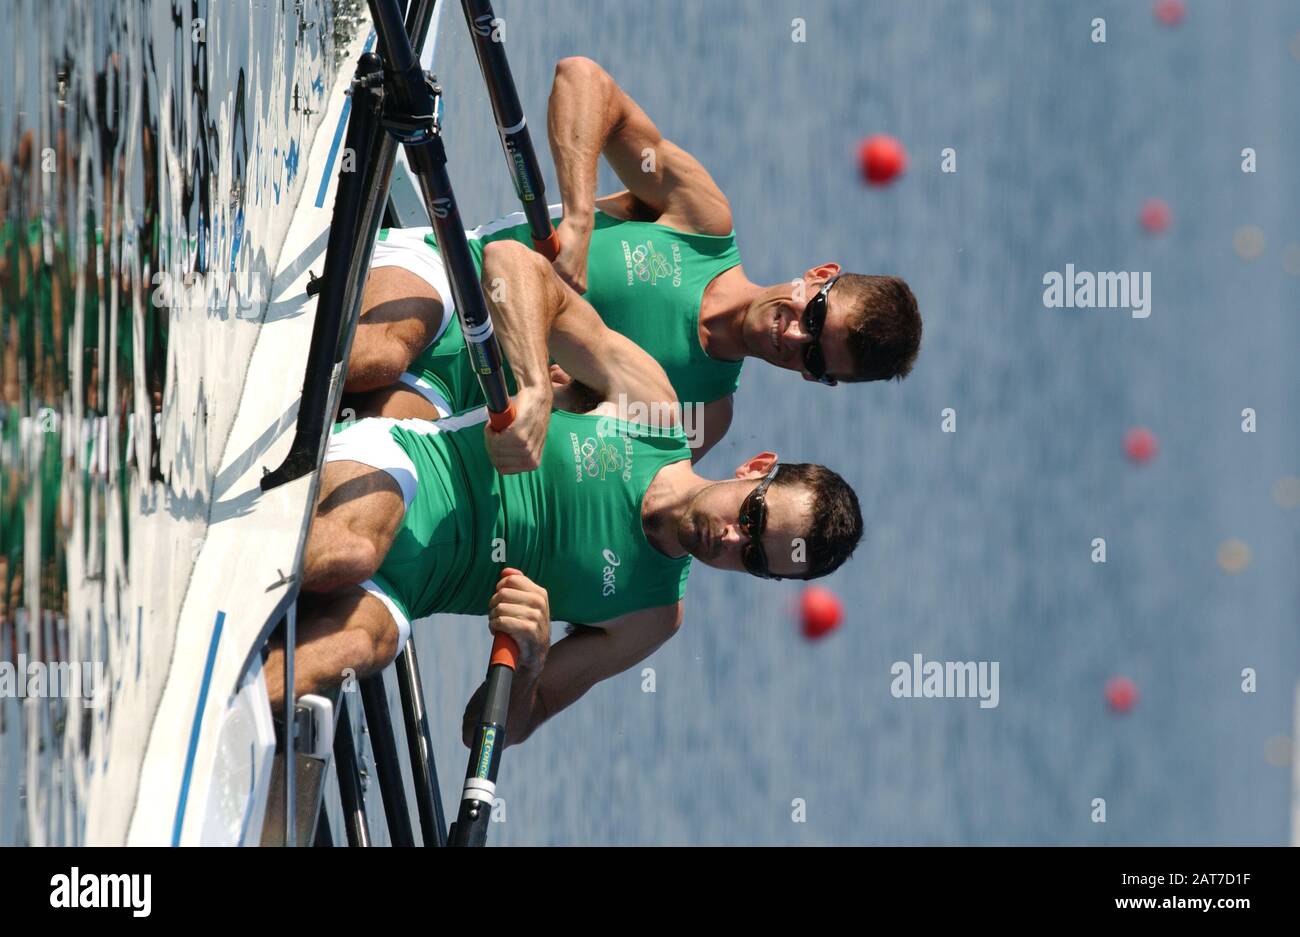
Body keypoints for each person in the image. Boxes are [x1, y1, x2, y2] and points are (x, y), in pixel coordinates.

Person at [266, 239, 862, 747]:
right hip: (403, 469)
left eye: (754, 557)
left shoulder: (652, 617)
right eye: (753, 516)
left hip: (405, 593)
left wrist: (528, 661)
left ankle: (202, 689)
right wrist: (532, 387)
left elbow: (487, 731)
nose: (733, 539)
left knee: (365, 645)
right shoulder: (651, 407)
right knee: (353, 553)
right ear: (756, 468)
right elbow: (510, 263)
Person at [344, 56, 921, 460]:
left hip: (471, 399)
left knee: (373, 436)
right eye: (815, 317)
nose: (796, 339)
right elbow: (582, 80)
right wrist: (578, 215)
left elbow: (575, 470)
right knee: (381, 357)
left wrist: (575, 404)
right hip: (452, 280)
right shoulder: (700, 220)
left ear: (817, 380)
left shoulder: (703, 419)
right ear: (818, 275)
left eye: (816, 359)